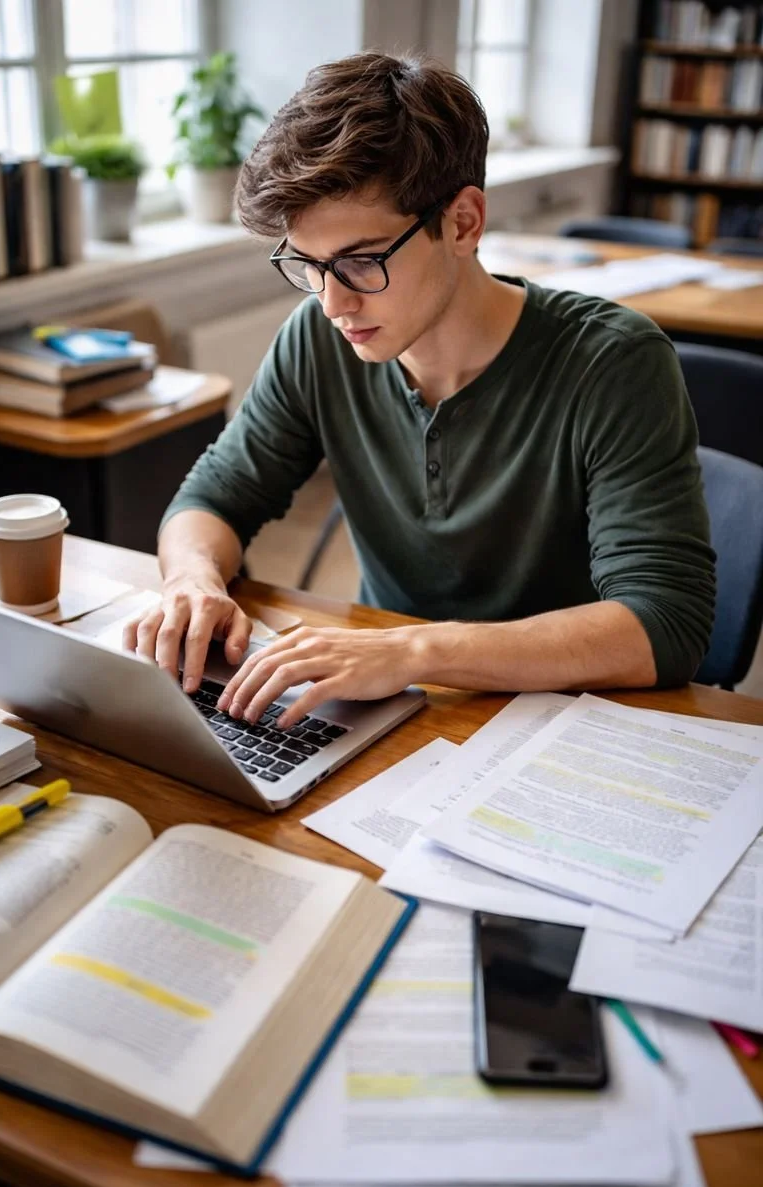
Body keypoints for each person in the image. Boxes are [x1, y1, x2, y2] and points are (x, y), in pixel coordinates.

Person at [126, 52, 715, 731]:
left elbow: (664, 624)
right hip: (392, 709)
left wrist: (412, 649)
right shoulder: (319, 340)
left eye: (361, 261)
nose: (332, 303)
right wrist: (192, 581)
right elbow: (214, 496)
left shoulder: (614, 362)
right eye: (308, 266)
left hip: (568, 721)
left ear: (463, 223)